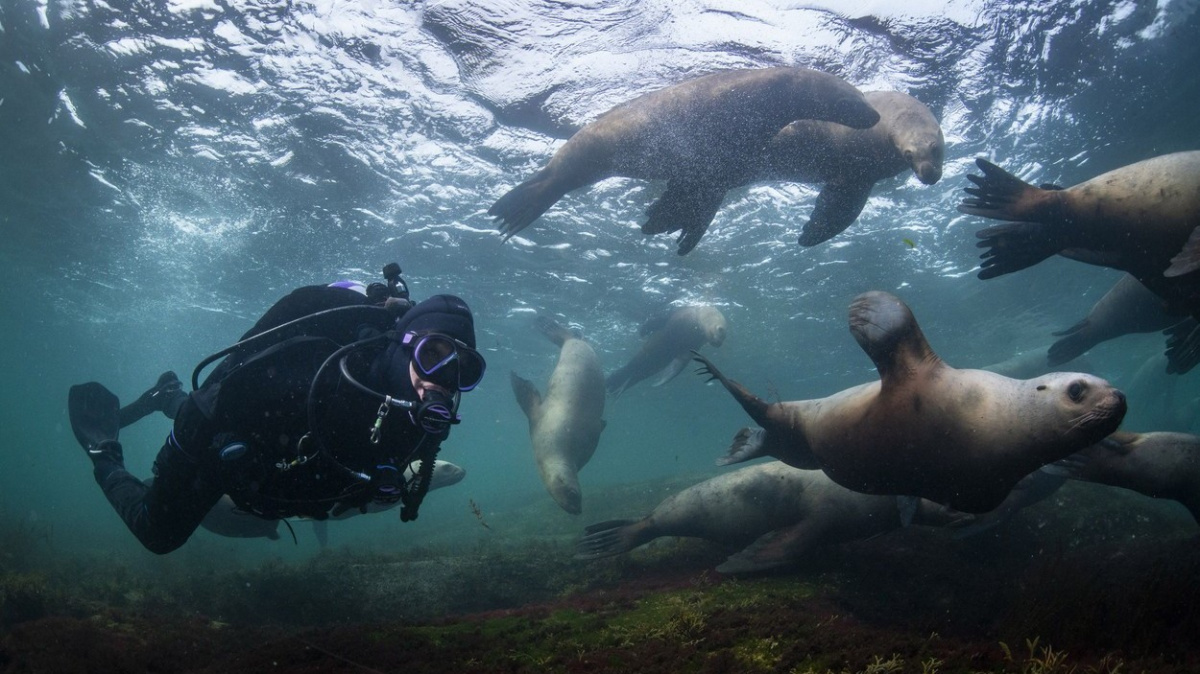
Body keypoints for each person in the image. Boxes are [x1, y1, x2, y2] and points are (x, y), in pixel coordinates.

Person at [67, 264, 486, 554]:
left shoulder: (420, 423)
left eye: (461, 369)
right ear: (403, 344)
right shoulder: (316, 377)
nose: (442, 379)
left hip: (280, 482)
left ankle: (166, 393)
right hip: (227, 449)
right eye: (434, 354)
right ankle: (104, 452)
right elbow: (215, 403)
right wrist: (183, 452)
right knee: (157, 535)